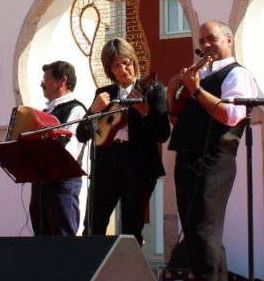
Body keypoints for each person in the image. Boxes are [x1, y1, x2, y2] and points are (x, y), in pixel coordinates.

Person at [166, 20, 254, 281]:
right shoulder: (201, 76)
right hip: (188, 157)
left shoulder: (237, 74)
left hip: (214, 158)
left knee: (205, 231)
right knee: (197, 234)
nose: (205, 45)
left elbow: (231, 115)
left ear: (228, 39)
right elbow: (177, 118)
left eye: (211, 39)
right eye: (201, 40)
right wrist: (176, 88)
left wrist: (197, 89)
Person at [83, 38, 169, 244]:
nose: (123, 69)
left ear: (134, 61)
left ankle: (131, 274)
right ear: (110, 70)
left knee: (132, 226)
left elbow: (163, 133)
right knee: (93, 224)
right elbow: (81, 133)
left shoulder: (151, 89)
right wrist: (94, 110)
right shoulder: (104, 94)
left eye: (126, 62)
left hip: (138, 163)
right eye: (116, 65)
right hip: (107, 162)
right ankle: (92, 271)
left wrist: (145, 112)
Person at [28, 60, 86, 236]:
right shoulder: (44, 113)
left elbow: (71, 151)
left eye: (46, 79)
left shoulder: (76, 110)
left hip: (63, 185)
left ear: (63, 81)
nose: (42, 84)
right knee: (42, 242)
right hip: (41, 185)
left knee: (63, 241)